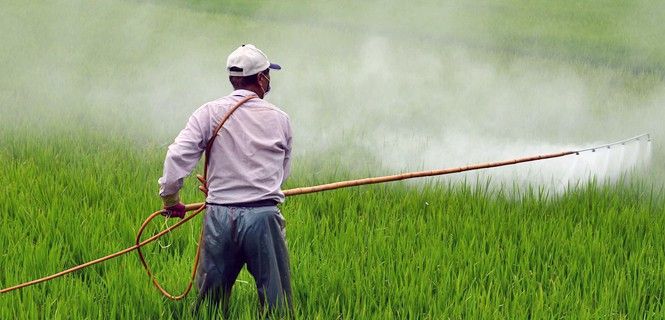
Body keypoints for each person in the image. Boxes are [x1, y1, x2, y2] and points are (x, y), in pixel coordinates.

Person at [157, 44, 293, 317]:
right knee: (277, 304)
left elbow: (176, 156)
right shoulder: (280, 119)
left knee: (210, 306)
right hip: (263, 217)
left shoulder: (208, 112)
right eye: (268, 74)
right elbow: (282, 172)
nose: (269, 80)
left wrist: (171, 200)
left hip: (219, 217)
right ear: (261, 78)